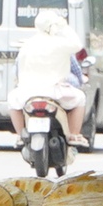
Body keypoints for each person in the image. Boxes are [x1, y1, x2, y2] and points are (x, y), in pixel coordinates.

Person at [10, 8, 87, 140]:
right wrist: (64, 26)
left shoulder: (27, 45)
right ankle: (73, 135)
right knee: (80, 98)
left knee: (12, 99)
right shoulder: (60, 43)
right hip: (55, 92)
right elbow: (78, 45)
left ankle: (21, 135)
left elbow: (16, 71)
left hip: (27, 92)